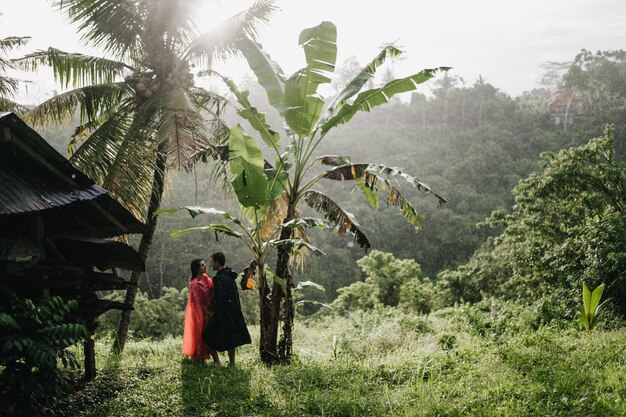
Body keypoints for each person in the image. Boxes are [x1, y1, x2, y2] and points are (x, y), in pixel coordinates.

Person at [204, 252, 251, 366]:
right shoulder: (229, 275)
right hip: (232, 312)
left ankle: (217, 361)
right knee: (231, 338)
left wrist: (214, 312)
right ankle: (232, 363)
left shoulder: (221, 278)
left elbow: (220, 298)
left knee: (207, 335)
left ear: (217, 262)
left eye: (212, 262)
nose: (210, 265)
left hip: (223, 313)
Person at [182, 259, 219, 363]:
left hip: (210, 312)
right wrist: (204, 315)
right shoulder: (195, 285)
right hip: (201, 315)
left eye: (204, 264)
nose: (205, 266)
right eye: (202, 265)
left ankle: (212, 360)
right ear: (197, 269)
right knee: (203, 336)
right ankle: (204, 359)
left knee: (210, 336)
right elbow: (197, 304)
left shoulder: (206, 279)